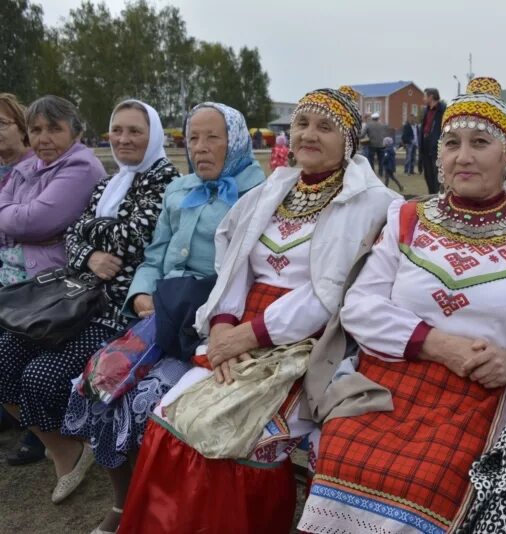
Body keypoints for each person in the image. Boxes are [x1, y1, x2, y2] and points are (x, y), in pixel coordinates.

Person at [117, 86, 399, 534]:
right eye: (302, 124)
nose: (308, 135)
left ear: (350, 140)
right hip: (240, 328)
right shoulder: (277, 187)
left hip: (308, 342)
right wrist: (224, 327)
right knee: (170, 418)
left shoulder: (372, 202)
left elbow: (330, 292)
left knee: (234, 439)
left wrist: (247, 336)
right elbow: (233, 263)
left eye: (325, 127)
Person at [299, 77, 506, 534]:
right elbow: (359, 306)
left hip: (486, 390)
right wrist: (438, 345)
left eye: (480, 143)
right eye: (452, 142)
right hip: (396, 378)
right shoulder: (409, 217)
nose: (463, 156)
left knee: (437, 475)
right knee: (347, 447)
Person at [61, 101, 263, 533]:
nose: (201, 148)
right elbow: (155, 257)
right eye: (193, 138)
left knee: (149, 400)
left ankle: (162, 511)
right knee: (98, 381)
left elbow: (250, 273)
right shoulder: (180, 189)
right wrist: (140, 295)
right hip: (163, 306)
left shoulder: (258, 192)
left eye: (214, 138)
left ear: (237, 141)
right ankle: (123, 500)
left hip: (213, 318)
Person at [0, 95, 163, 505]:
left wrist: (89, 232)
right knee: (3, 352)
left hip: (116, 312)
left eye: (135, 132)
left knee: (40, 376)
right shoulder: (112, 182)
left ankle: (74, 448)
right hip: (77, 299)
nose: (123, 139)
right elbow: (75, 234)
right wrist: (88, 250)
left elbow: (134, 237)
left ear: (153, 136)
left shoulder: (163, 180)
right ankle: (66, 447)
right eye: (118, 130)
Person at [0, 93, 42, 465]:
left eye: (2, 124)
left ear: (22, 129)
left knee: (16, 339)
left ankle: (37, 431)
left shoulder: (33, 168)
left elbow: (28, 225)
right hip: (7, 268)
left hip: (29, 274)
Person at [419, 87, 446, 194]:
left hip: (436, 147)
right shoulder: (426, 111)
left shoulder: (443, 110)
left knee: (437, 175)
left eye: (425, 96)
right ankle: (431, 196)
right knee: (428, 175)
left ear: (431, 96)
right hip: (425, 147)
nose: (423, 99)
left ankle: (438, 197)